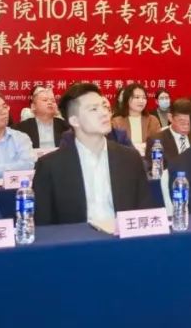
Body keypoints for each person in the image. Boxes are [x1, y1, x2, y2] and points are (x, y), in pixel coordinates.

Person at [34, 83, 155, 226]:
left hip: (122, 238)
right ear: (75, 120)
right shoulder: (50, 166)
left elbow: (144, 213)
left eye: (104, 106)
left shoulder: (130, 159)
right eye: (93, 109)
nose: (104, 113)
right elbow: (43, 226)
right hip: (75, 239)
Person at [145, 98, 191, 167]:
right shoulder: (156, 141)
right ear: (170, 117)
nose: (186, 126)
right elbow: (154, 169)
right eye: (182, 122)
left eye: (189, 123)